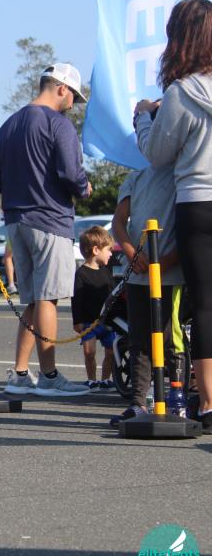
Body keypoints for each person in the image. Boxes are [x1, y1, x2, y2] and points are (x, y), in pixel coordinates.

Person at [0, 62, 92, 397]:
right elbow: (71, 173)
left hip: (16, 220)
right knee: (48, 298)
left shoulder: (9, 124)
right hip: (50, 220)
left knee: (33, 299)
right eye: (74, 96)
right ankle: (49, 377)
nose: (73, 104)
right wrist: (84, 187)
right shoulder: (58, 124)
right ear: (62, 88)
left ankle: (20, 374)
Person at [136, 0, 212, 432]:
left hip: (197, 202)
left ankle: (209, 402)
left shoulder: (181, 93)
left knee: (205, 303)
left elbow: (157, 154)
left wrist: (143, 118)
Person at [109, 165, 185, 426]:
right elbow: (119, 221)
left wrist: (168, 261)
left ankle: (177, 402)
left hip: (171, 275)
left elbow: (190, 226)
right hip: (138, 274)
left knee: (171, 338)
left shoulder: (182, 174)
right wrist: (131, 253)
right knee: (139, 338)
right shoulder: (136, 177)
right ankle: (138, 402)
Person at [71, 226, 116, 391]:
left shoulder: (106, 271)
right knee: (89, 352)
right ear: (96, 250)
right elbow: (76, 299)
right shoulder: (81, 274)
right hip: (88, 322)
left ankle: (105, 379)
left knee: (111, 351)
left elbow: (113, 293)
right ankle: (91, 380)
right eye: (108, 250)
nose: (111, 254)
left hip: (107, 321)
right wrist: (77, 321)